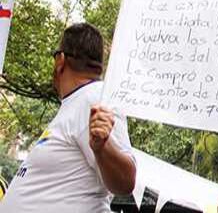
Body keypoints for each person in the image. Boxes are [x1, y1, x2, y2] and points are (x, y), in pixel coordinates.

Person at [0, 23, 136, 213]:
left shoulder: (94, 98)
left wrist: (103, 147)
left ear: (60, 60)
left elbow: (126, 182)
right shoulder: (78, 101)